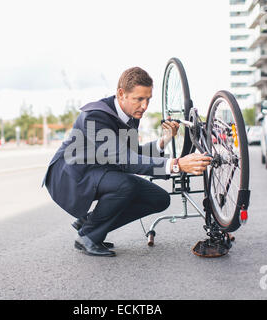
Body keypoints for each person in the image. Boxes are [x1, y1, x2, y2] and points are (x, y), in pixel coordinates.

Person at [42, 67, 211, 257]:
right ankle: (88, 236)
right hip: (70, 177)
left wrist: (164, 140)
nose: (145, 106)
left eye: (148, 99)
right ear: (121, 94)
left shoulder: (130, 116)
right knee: (126, 184)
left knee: (159, 199)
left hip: (97, 172)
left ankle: (90, 224)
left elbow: (131, 153)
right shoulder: (96, 116)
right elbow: (125, 159)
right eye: (139, 99)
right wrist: (176, 164)